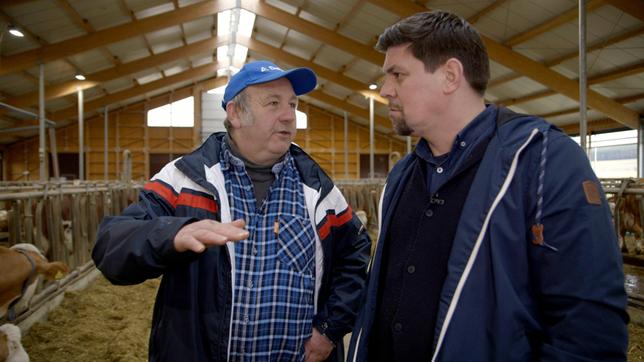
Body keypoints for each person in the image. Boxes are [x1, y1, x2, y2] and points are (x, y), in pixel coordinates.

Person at [348, 10, 629, 362]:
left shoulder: (542, 161)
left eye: (398, 75)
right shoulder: (403, 173)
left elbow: (588, 328)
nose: (385, 89)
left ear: (450, 76)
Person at [92, 60, 371, 362]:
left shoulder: (317, 188)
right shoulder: (185, 179)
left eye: (293, 104)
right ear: (235, 113)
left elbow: (354, 255)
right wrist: (171, 235)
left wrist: (330, 329)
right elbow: (111, 246)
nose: (289, 116)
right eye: (273, 103)